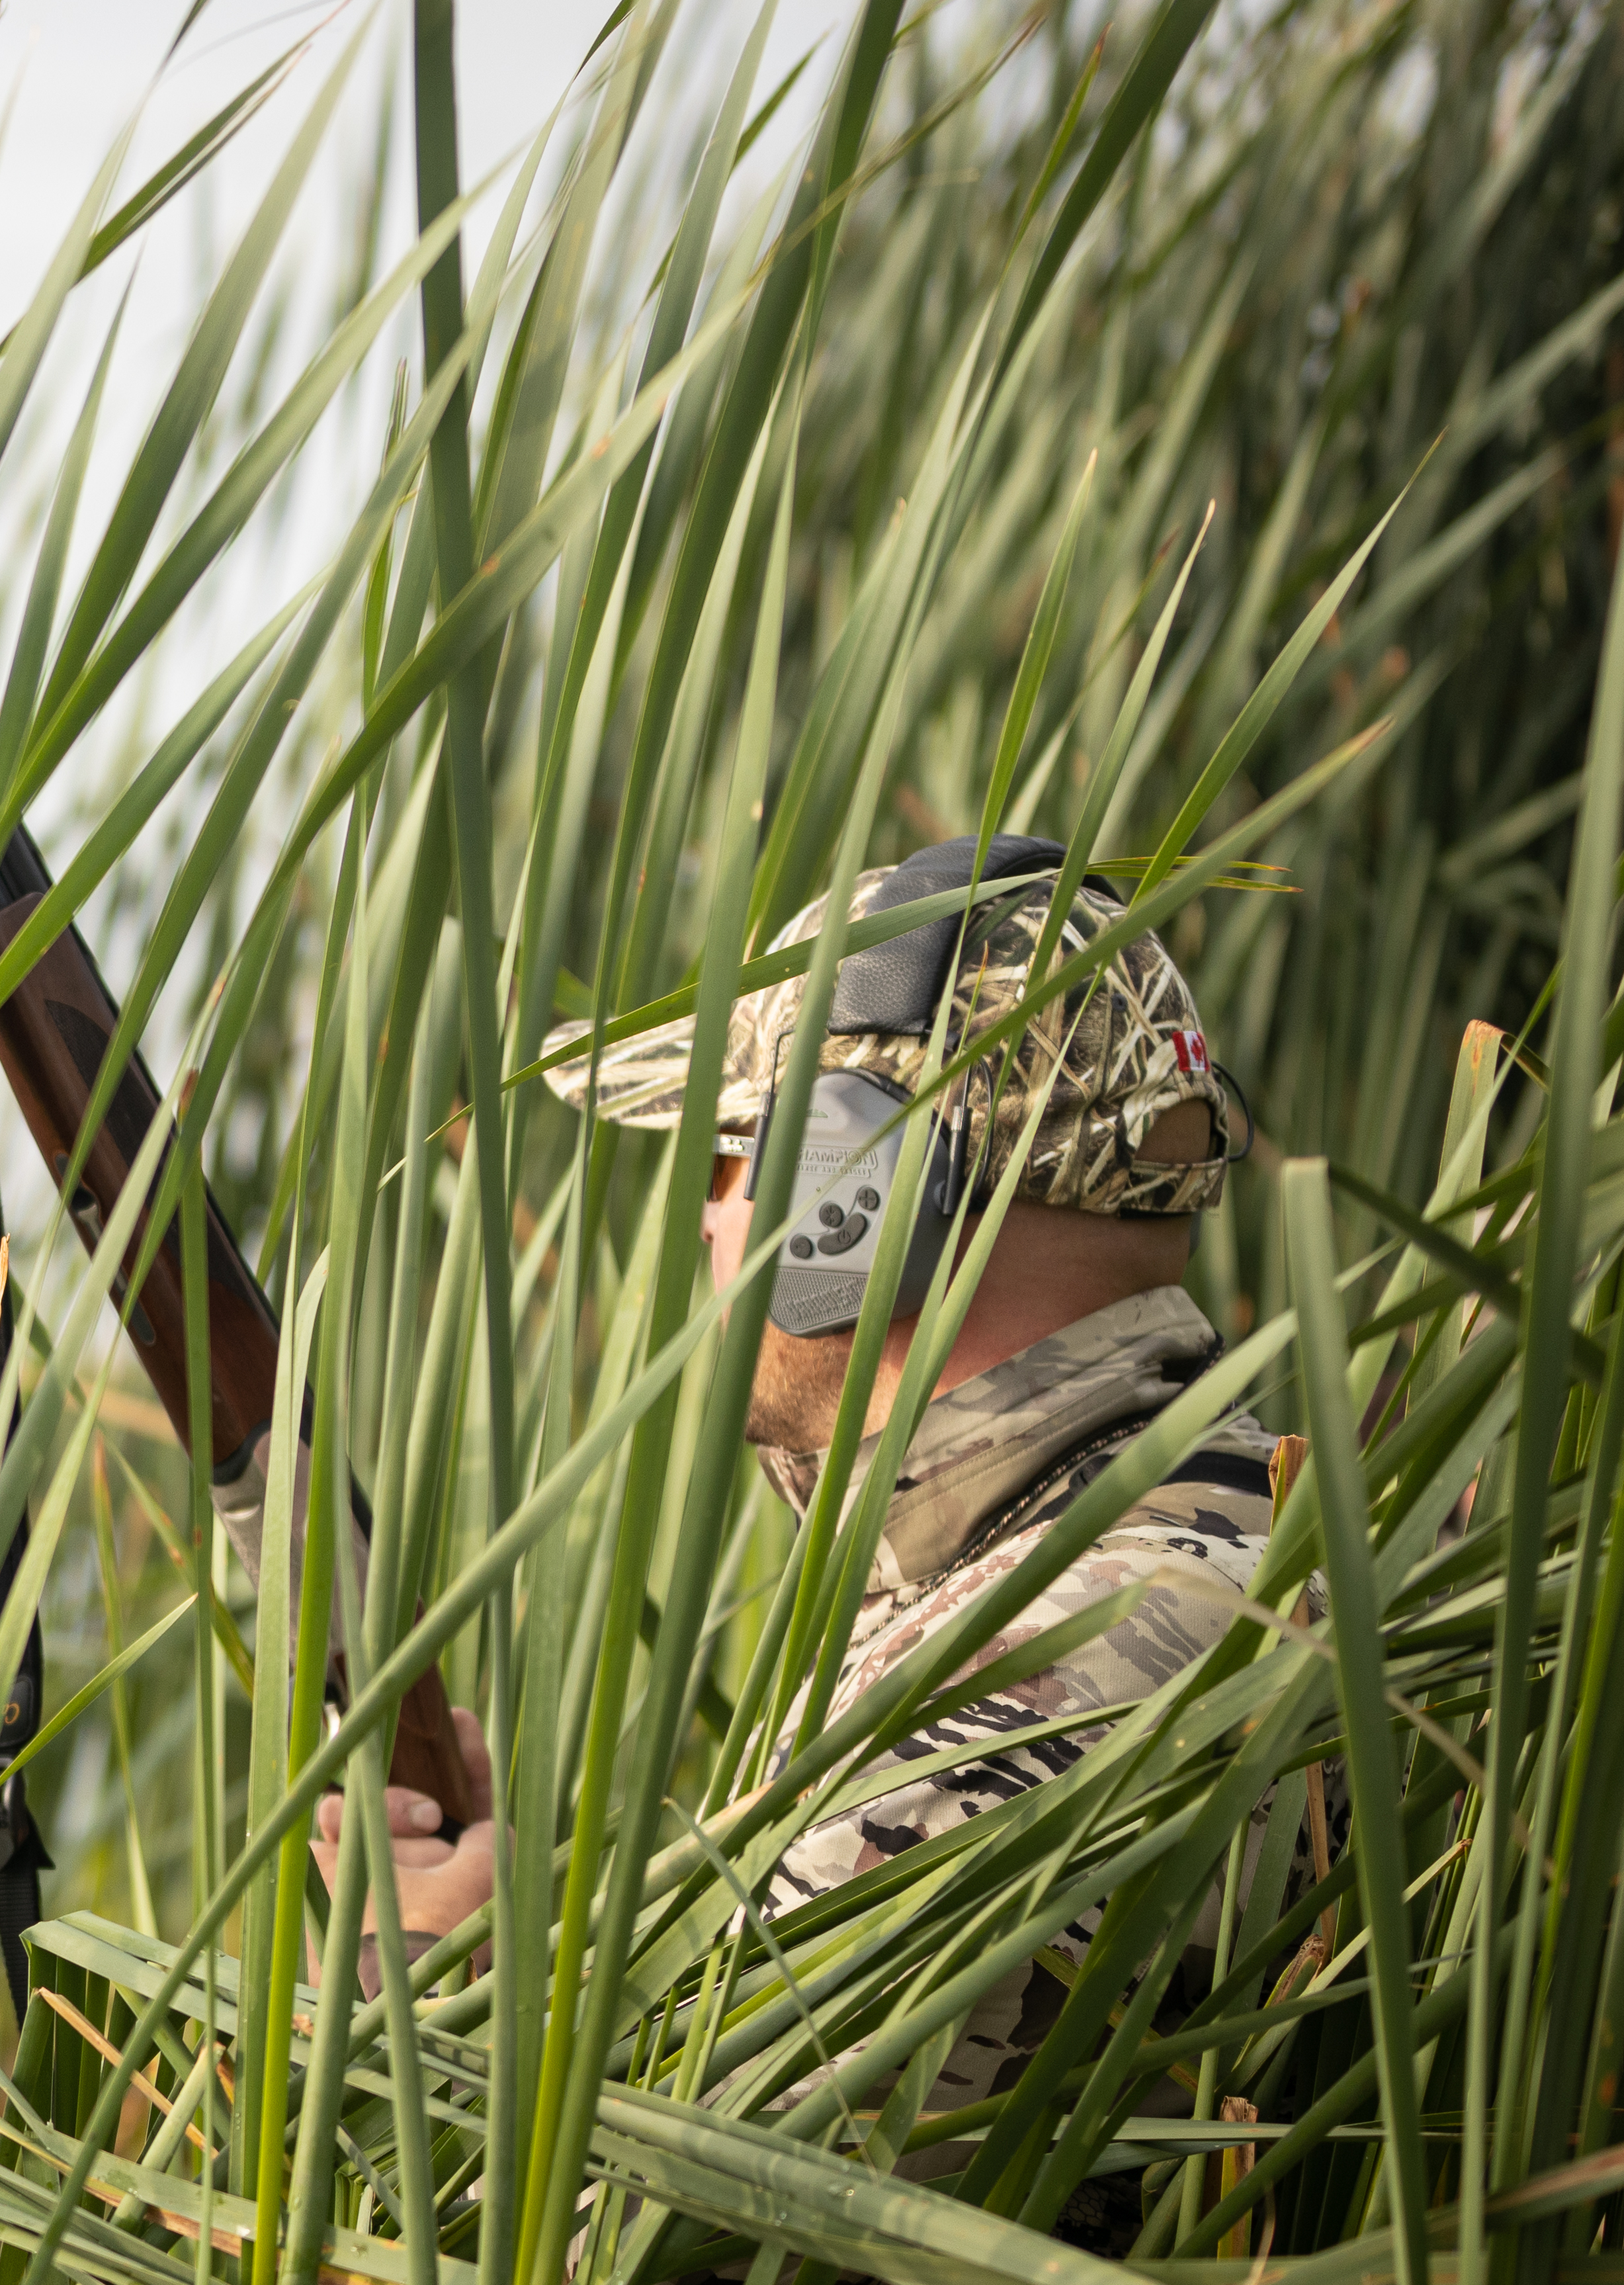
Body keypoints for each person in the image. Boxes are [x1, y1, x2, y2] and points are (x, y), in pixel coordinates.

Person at [290, 836, 1273, 2118]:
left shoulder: (1013, 1700)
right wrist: (539, 1963)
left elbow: (615, 2270)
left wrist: (412, 1991)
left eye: (733, 1146)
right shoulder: (1219, 1527)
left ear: (857, 1200)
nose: (701, 1212)